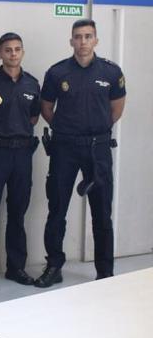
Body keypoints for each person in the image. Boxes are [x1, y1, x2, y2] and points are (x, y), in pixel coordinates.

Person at [35, 19, 126, 288]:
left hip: (98, 148)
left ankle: (105, 272)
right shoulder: (57, 72)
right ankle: (54, 266)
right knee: (57, 209)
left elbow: (116, 109)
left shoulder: (111, 72)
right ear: (71, 41)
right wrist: (66, 130)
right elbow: (47, 108)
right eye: (78, 37)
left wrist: (96, 130)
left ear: (96, 40)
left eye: (88, 36)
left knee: (101, 212)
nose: (83, 41)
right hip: (64, 147)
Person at [0, 33, 40, 288]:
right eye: (8, 50)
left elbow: (34, 118)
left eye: (17, 49)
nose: (13, 54)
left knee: (18, 213)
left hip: (23, 155)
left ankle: (16, 268)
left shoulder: (32, 84)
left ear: (22, 52)